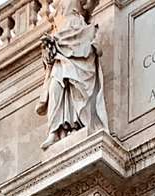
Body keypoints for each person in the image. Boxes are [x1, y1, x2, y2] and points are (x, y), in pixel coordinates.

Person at [36, 0, 109, 150]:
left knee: (76, 83)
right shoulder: (56, 8)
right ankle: (55, 131)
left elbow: (92, 5)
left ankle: (77, 124)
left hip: (78, 34)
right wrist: (49, 48)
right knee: (55, 86)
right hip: (59, 38)